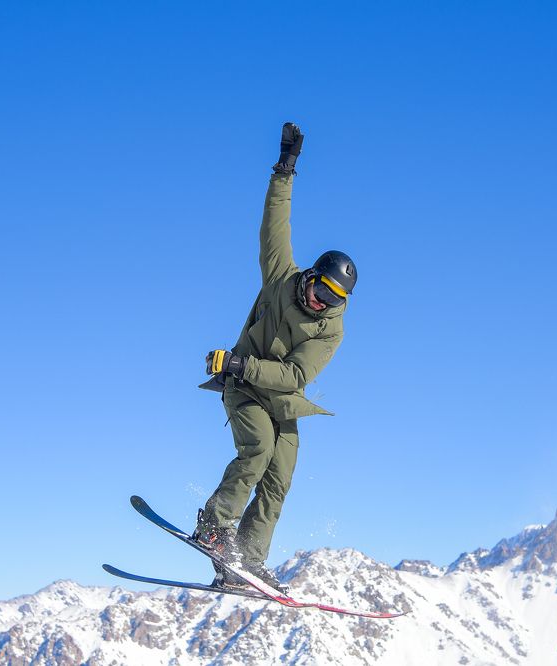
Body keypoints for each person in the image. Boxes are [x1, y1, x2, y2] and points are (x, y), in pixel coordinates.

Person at [194, 122, 357, 591]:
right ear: (311, 275)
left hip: (280, 397)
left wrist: (246, 363)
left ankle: (243, 560)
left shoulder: (331, 329)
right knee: (257, 450)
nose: (321, 302)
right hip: (243, 388)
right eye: (321, 290)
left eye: (333, 299)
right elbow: (275, 221)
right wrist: (285, 169)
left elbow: (296, 374)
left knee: (279, 478)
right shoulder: (280, 277)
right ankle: (214, 526)